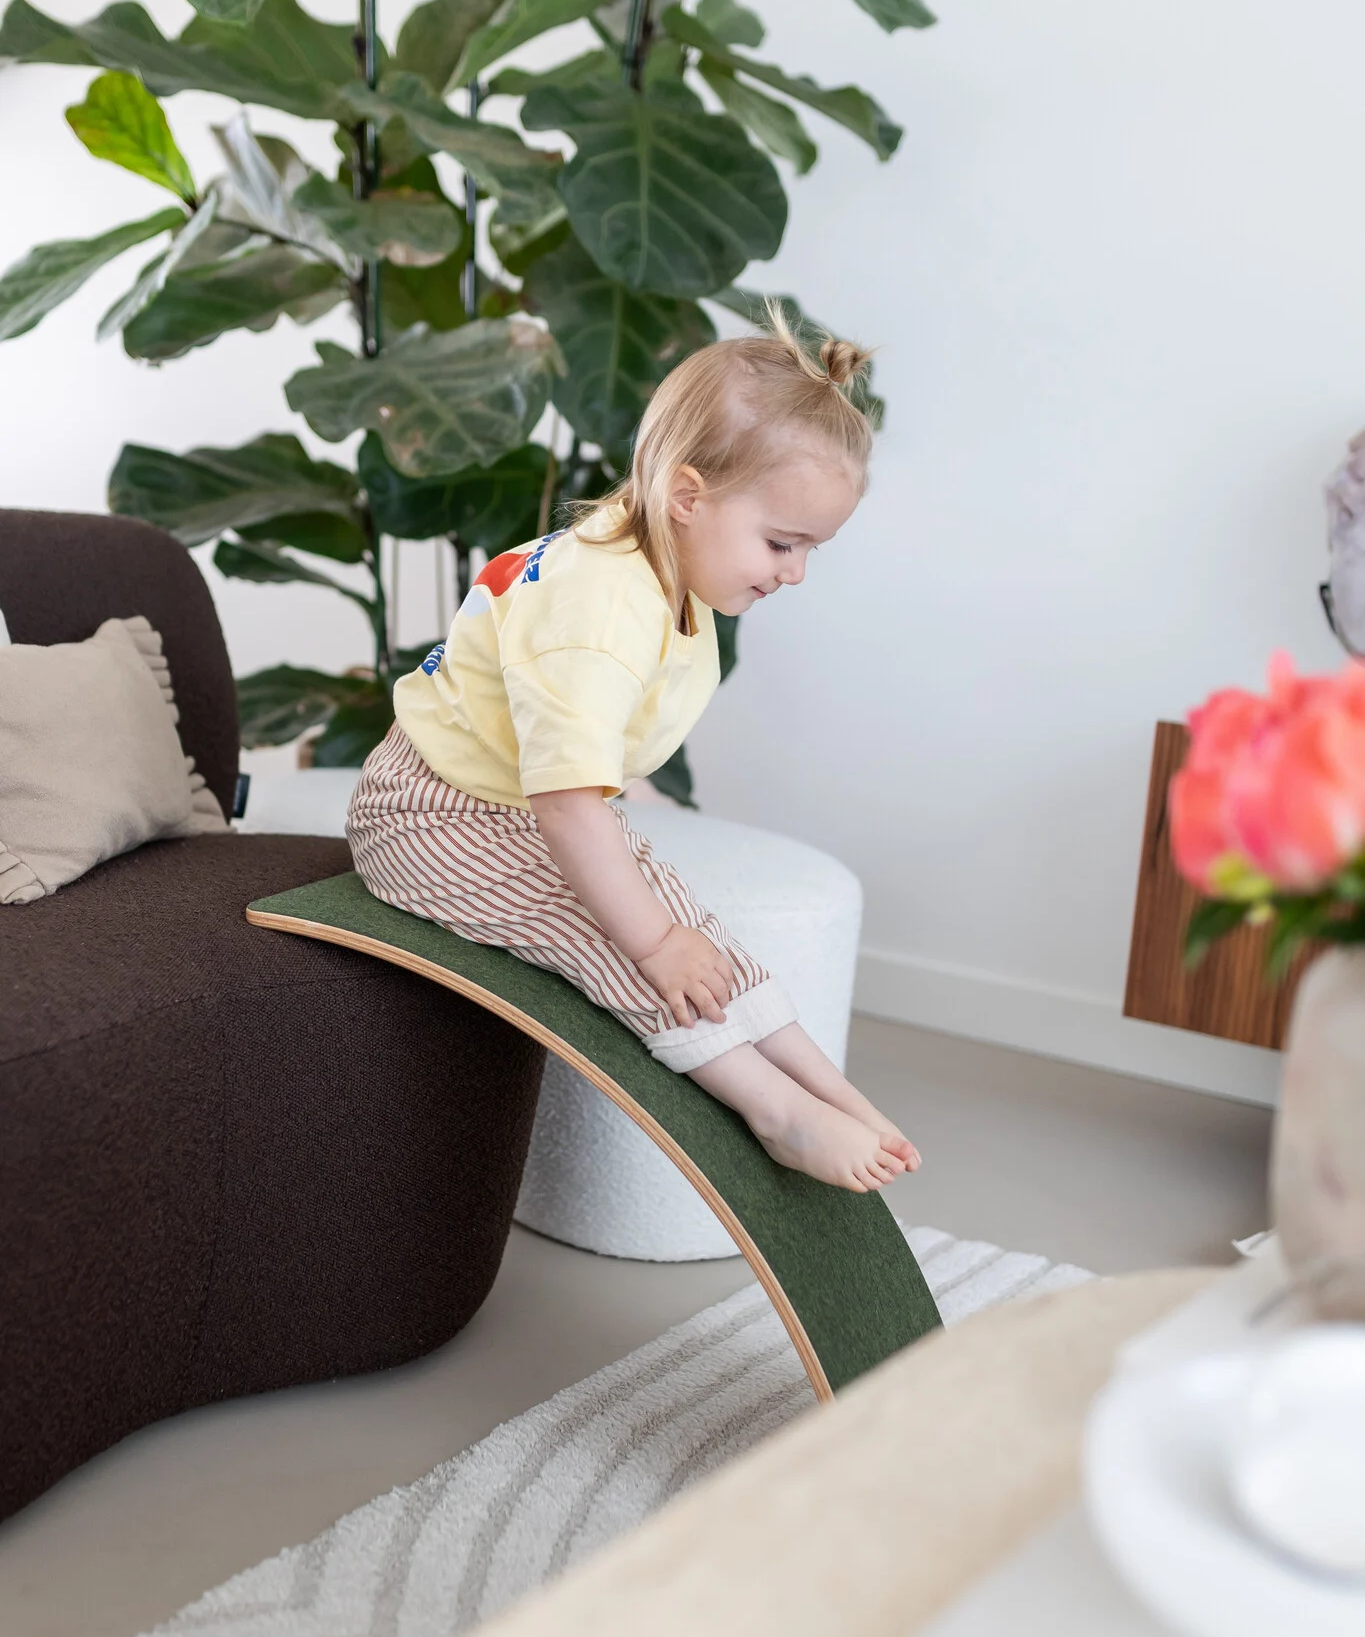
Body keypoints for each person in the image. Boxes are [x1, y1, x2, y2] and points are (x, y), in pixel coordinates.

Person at [347, 309, 921, 1193]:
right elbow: (568, 805)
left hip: (512, 800)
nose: (794, 572)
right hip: (427, 815)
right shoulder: (599, 611)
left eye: (811, 550)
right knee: (615, 935)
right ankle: (774, 1110)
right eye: (781, 543)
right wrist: (652, 943)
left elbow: (596, 747)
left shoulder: (669, 561)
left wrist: (668, 921)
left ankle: (822, 1084)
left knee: (695, 927)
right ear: (687, 496)